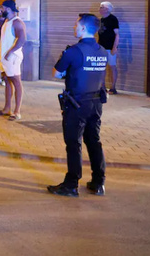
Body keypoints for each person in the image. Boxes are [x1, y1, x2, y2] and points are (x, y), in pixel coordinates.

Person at [48, 13, 108, 197]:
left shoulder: (73, 51)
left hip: (77, 104)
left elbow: (56, 73)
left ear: (83, 28)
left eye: (76, 25)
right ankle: (98, 183)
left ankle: (71, 184)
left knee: (74, 143)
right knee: (94, 141)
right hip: (96, 103)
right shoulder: (102, 51)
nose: (74, 28)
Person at [0, 0, 26, 121]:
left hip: (12, 58)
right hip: (5, 58)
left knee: (16, 82)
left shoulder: (17, 22)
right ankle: (7, 108)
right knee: (7, 81)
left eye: (1, 8)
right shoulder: (6, 21)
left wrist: (10, 52)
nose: (0, 10)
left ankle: (17, 111)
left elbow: (22, 39)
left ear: (8, 9)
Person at [98, 2, 120, 94]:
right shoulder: (101, 20)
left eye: (102, 7)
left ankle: (113, 88)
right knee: (101, 67)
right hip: (101, 47)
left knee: (112, 67)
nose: (100, 9)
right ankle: (102, 87)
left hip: (110, 47)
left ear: (107, 9)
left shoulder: (113, 19)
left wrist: (114, 47)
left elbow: (117, 35)